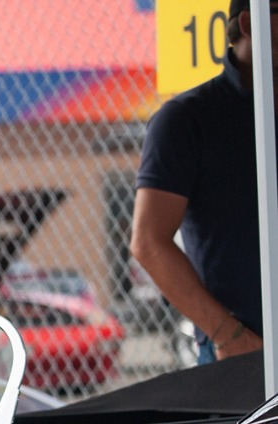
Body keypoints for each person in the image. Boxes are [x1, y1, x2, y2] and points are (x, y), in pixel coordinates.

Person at [132, 0, 275, 365]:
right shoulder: (187, 121)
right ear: (249, 22)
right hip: (247, 351)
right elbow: (148, 241)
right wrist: (227, 334)